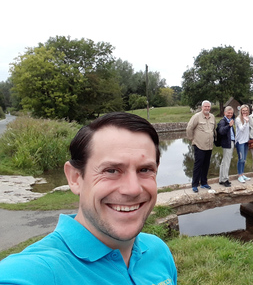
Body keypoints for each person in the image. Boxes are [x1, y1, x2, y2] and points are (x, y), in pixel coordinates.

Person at [0, 112, 177, 284]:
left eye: (145, 170)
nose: (132, 189)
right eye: (111, 171)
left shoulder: (157, 250)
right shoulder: (39, 271)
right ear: (75, 178)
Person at [186, 100, 216, 193]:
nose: (207, 108)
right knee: (198, 165)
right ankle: (194, 184)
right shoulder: (196, 116)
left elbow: (214, 129)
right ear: (202, 107)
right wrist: (192, 139)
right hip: (199, 145)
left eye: (208, 107)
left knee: (206, 165)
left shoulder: (212, 117)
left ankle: (204, 183)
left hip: (209, 145)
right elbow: (189, 128)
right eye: (205, 106)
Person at [217, 106, 236, 187]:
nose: (230, 114)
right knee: (227, 162)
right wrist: (229, 126)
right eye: (228, 113)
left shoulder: (229, 120)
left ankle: (221, 179)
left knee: (224, 161)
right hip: (227, 143)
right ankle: (225, 179)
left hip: (229, 142)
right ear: (224, 113)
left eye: (231, 113)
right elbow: (221, 131)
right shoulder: (223, 121)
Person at [235, 104, 252, 183]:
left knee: (244, 159)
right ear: (241, 111)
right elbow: (241, 129)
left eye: (246, 110)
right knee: (241, 159)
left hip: (246, 141)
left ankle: (242, 174)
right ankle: (239, 175)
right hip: (240, 142)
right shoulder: (238, 119)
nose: (245, 112)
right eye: (243, 110)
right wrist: (246, 122)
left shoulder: (248, 118)